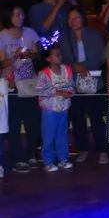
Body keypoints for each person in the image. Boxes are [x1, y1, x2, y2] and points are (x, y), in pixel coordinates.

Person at [60, 6, 109, 164]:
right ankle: (83, 149)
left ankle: (102, 150)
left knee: (96, 118)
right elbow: (64, 59)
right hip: (74, 82)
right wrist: (76, 67)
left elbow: (101, 56)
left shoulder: (95, 35)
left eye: (76, 17)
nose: (73, 21)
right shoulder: (65, 38)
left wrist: (84, 67)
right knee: (77, 118)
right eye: (70, 18)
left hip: (94, 80)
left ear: (82, 18)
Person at [1, 7, 41, 173]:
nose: (21, 16)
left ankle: (31, 154)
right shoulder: (2, 36)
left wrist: (29, 54)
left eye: (22, 13)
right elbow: (2, 63)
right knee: (14, 123)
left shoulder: (30, 32)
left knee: (32, 121)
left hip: (30, 82)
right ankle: (18, 158)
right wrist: (16, 56)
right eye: (16, 14)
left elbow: (38, 54)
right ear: (9, 16)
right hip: (12, 84)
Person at [36, 38, 74, 172]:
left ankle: (63, 159)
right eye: (56, 54)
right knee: (48, 136)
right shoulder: (44, 73)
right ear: (48, 59)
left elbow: (71, 85)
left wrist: (70, 92)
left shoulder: (67, 70)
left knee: (62, 135)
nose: (60, 56)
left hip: (63, 109)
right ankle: (48, 162)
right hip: (50, 110)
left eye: (60, 54)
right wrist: (57, 92)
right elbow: (40, 90)